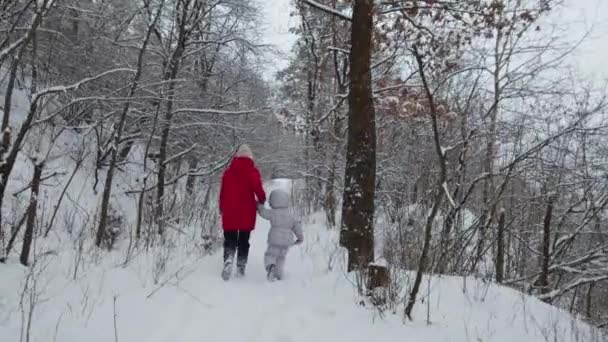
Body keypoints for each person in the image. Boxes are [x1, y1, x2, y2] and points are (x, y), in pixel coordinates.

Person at [219, 144, 266, 280]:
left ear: (237, 157)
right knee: (244, 240)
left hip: (229, 210)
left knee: (230, 239)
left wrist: (221, 207)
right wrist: (262, 199)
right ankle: (240, 266)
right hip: (246, 211)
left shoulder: (228, 172)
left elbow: (222, 192)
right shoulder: (252, 171)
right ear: (250, 157)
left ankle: (228, 258)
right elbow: (258, 189)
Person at [257, 189, 303, 281]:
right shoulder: (291, 214)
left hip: (275, 239)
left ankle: (270, 267)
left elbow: (263, 213)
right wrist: (300, 237)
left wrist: (259, 206)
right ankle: (278, 274)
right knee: (281, 258)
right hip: (287, 241)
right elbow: (296, 226)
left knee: (270, 255)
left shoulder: (273, 212)